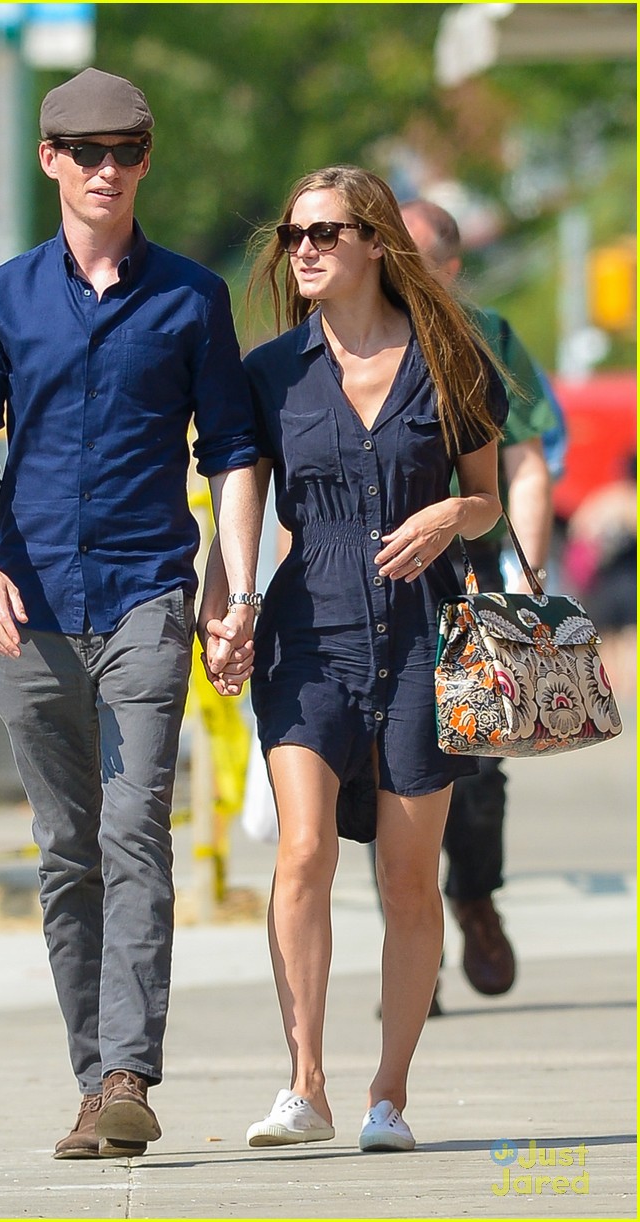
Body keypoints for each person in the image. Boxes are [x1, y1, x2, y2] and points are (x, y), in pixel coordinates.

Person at [0, 67, 261, 1160]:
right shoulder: (2, 298)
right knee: (66, 848)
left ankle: (128, 1074)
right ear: (50, 163)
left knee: (133, 830)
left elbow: (235, 452)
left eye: (125, 151)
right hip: (24, 606)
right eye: (86, 153)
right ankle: (93, 1080)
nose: (106, 170)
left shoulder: (190, 297)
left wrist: (229, 581)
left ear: (146, 161)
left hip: (146, 595)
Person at [202, 165, 507, 1152]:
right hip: (308, 630)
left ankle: (388, 1092)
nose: (303, 249)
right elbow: (239, 492)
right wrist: (234, 595)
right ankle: (304, 1084)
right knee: (301, 853)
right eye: (294, 231)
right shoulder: (269, 373)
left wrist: (451, 515)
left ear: (376, 242)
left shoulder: (450, 356)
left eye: (326, 232)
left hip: (428, 634)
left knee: (410, 880)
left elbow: (488, 496)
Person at [400, 199, 557, 1006]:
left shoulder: (487, 337)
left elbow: (525, 460)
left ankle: (472, 897)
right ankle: (411, 942)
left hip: (469, 581)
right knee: (383, 766)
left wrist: (526, 581)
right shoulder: (347, 332)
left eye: (413, 255)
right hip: (382, 584)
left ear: (450, 269)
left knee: (478, 768)